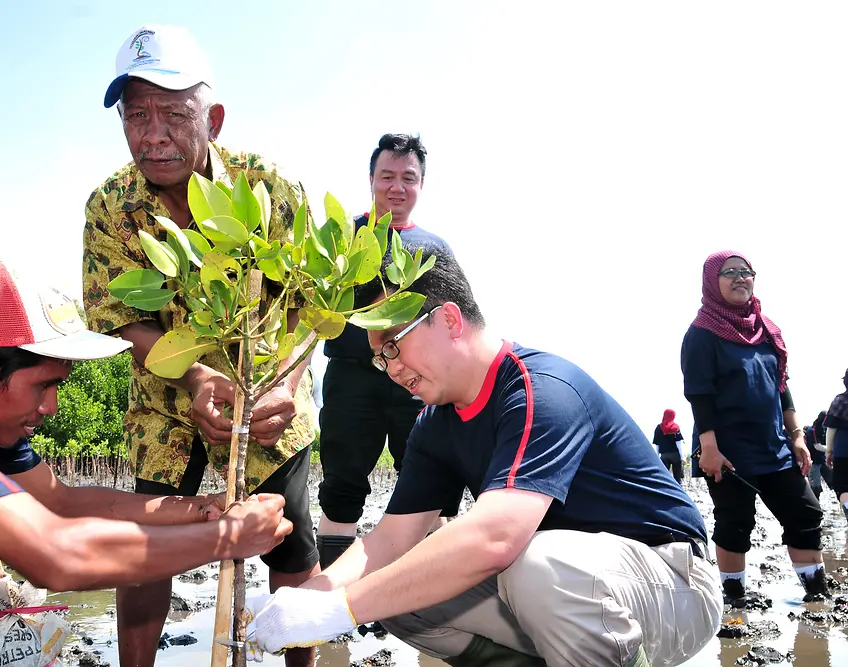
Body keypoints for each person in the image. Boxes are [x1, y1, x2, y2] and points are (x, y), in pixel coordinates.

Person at [245, 249, 722, 667]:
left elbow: (496, 537)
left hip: (673, 583)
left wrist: (341, 611)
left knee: (533, 565)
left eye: (392, 346)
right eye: (379, 359)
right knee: (398, 592)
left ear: (449, 319)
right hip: (565, 588)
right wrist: (307, 598)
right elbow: (388, 541)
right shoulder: (435, 422)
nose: (391, 370)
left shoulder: (542, 390)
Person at [0, 263, 292, 667]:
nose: (53, 407)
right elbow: (55, 556)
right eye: (44, 385)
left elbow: (61, 501)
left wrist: (202, 508)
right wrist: (228, 537)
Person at [83, 24, 318, 667]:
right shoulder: (110, 205)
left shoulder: (266, 187)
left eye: (170, 114)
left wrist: (287, 387)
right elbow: (112, 314)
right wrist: (191, 377)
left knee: (291, 544)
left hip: (267, 387)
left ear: (211, 117)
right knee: (144, 550)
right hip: (164, 398)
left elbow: (308, 306)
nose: (150, 134)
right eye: (135, 115)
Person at [316, 133, 452, 568]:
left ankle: (431, 602)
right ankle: (332, 606)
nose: (397, 187)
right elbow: (310, 308)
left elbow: (456, 325)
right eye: (387, 176)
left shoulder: (434, 249)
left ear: (421, 185)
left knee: (434, 489)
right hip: (352, 379)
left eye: (407, 178)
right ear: (371, 180)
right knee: (340, 489)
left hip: (417, 383)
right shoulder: (343, 236)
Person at [680, 250, 826, 604]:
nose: (740, 278)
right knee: (735, 522)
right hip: (727, 452)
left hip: (773, 446)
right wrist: (709, 449)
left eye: (746, 272)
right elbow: (700, 395)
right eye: (730, 272)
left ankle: (816, 591)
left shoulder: (766, 330)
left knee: (805, 513)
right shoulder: (701, 334)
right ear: (713, 282)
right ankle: (734, 595)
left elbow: (781, 387)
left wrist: (797, 438)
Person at [824, 374, 848, 523]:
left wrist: (829, 451)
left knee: (843, 487)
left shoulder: (841, 400)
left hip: (843, 449)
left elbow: (831, 428)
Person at [652, 409, 685, 483]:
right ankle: (678, 491)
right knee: (677, 478)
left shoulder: (658, 428)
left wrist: (657, 457)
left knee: (664, 478)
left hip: (664, 455)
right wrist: (682, 457)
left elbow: (657, 444)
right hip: (675, 455)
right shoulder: (675, 427)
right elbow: (679, 443)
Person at [805, 411, 831, 500]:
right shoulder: (813, 430)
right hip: (814, 462)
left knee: (833, 482)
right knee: (815, 487)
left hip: (822, 460)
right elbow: (817, 446)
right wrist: (832, 449)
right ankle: (816, 506)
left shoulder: (824, 429)